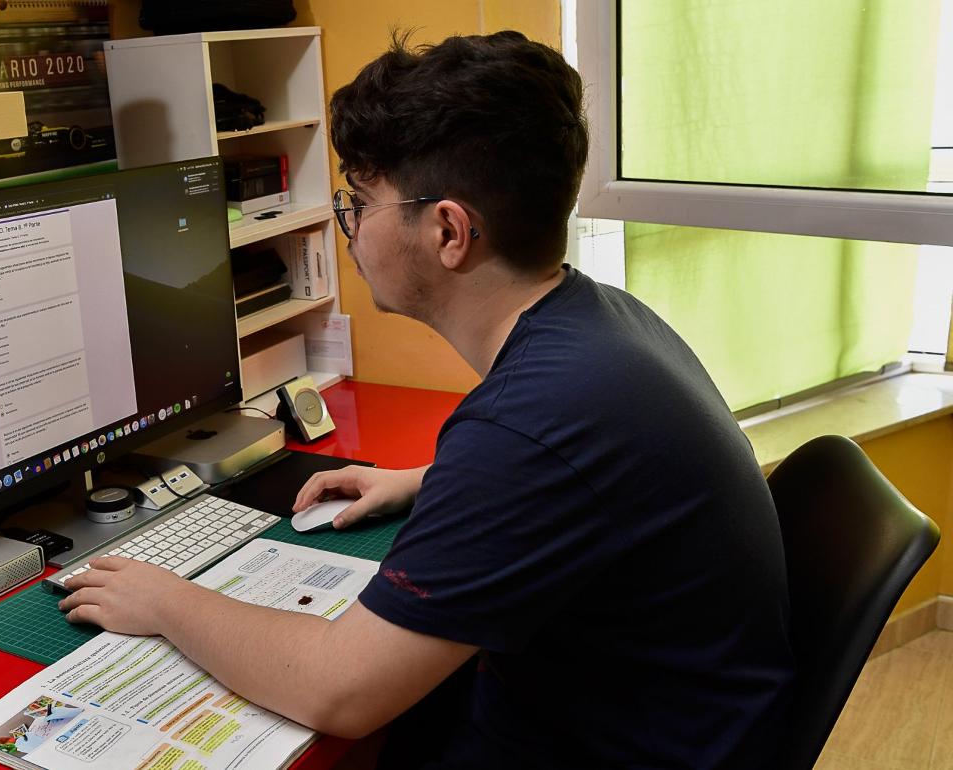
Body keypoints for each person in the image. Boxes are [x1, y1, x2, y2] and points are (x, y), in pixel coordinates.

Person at [58, 30, 795, 768]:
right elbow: (584, 485)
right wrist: (426, 482)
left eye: (362, 201)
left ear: (448, 230)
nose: (348, 227)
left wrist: (166, 602)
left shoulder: (525, 428)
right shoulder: (600, 322)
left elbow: (340, 691)